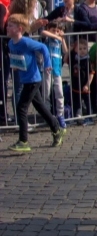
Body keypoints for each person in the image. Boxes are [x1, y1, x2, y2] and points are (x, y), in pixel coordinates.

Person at [6, 14, 65, 152]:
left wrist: (47, 64)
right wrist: (15, 66)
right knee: (40, 107)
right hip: (25, 79)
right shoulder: (10, 43)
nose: (7, 28)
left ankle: (23, 141)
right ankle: (57, 129)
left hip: (33, 79)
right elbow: (16, 59)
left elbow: (43, 48)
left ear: (19, 29)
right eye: (7, 25)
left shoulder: (25, 42)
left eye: (10, 26)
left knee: (21, 108)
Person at [70, 38, 95, 125]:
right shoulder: (74, 58)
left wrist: (87, 85)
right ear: (76, 49)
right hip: (76, 85)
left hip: (85, 86)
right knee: (76, 102)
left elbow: (91, 74)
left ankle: (89, 117)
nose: (82, 51)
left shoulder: (88, 60)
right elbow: (65, 58)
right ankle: (77, 117)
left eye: (84, 48)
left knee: (87, 102)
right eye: (80, 49)